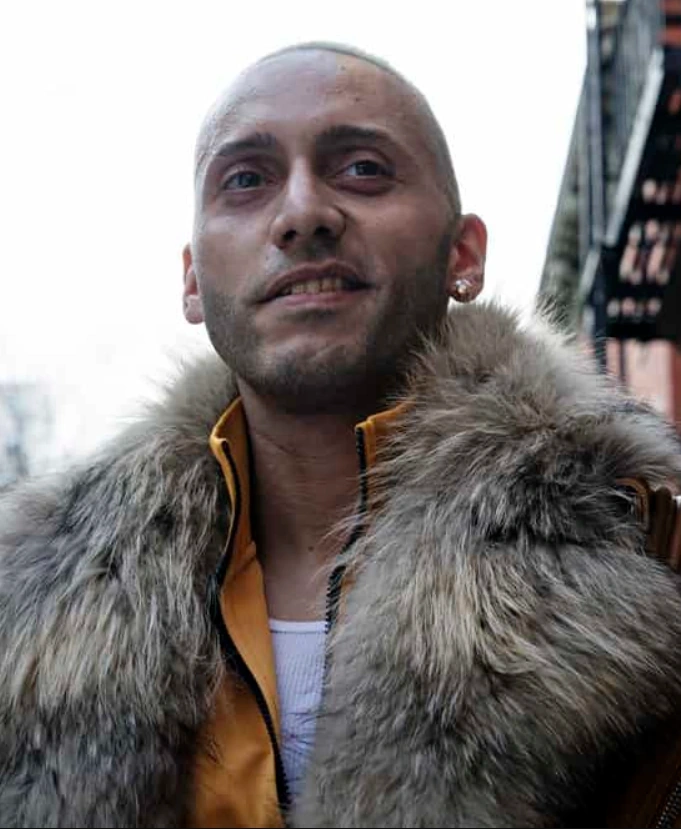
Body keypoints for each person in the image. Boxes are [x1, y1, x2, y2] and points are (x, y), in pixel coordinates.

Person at [1, 41, 681, 829]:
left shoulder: (644, 539)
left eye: (362, 169)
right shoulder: (28, 612)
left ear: (463, 255)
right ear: (192, 281)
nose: (301, 214)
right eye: (245, 180)